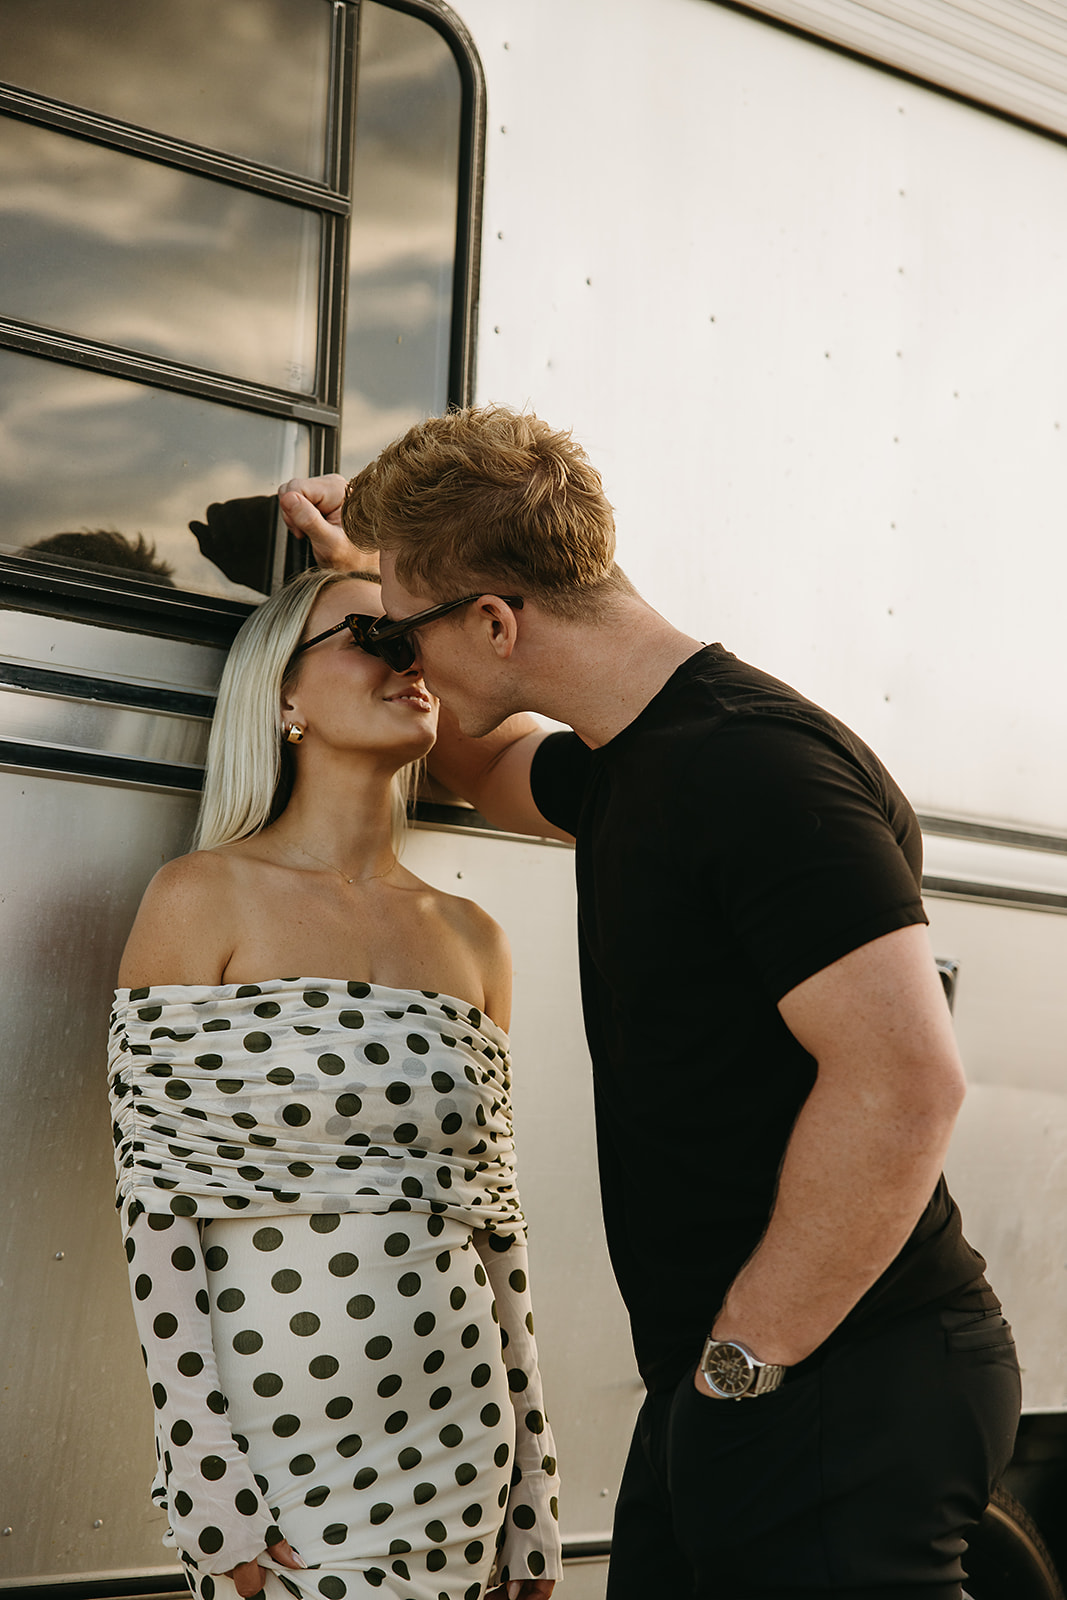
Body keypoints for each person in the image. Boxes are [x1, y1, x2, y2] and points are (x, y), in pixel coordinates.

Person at [278, 407, 1022, 1600]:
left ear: (495, 620)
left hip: (833, 1372)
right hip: (748, 1378)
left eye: (411, 635)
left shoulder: (757, 769)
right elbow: (473, 757)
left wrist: (742, 1364)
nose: (405, 663)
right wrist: (376, 568)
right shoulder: (635, 760)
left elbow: (904, 1082)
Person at [107, 564, 561, 1600]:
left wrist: (534, 1492)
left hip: (462, 1450)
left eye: (416, 640)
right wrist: (203, 1479)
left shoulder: (471, 936)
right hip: (283, 1475)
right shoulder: (200, 897)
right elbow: (156, 1215)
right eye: (371, 636)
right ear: (283, 698)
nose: (409, 659)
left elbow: (499, 1233)